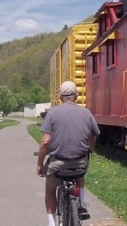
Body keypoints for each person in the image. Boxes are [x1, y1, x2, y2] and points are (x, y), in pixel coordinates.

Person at [36, 80, 100, 226]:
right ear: (76, 96)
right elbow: (93, 136)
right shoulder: (86, 113)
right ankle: (81, 204)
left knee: (50, 189)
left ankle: (52, 223)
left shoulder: (53, 113)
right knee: (79, 175)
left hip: (58, 163)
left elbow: (45, 142)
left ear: (60, 97)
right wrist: (89, 149)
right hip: (80, 162)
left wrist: (40, 164)